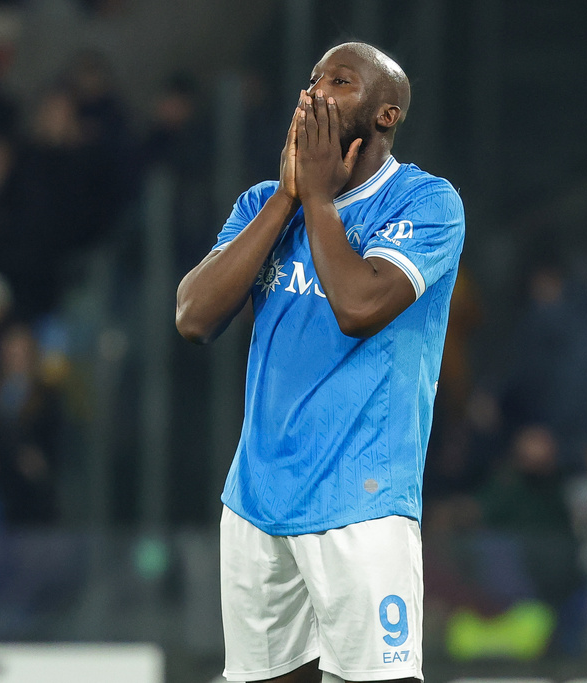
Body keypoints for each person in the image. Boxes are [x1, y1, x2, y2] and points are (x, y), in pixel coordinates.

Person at [176, 42, 465, 683]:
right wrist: (287, 197)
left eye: (338, 82)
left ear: (385, 115)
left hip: (361, 501)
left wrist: (318, 201)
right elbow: (193, 318)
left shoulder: (426, 204)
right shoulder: (261, 206)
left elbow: (360, 307)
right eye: (312, 80)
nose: (313, 93)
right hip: (255, 499)